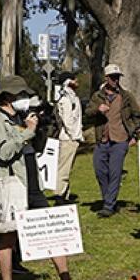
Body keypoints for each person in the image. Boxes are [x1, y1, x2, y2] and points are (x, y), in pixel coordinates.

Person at [0, 75, 98, 280]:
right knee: (8, 237)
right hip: (10, 185)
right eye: (21, 95)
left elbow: (35, 148)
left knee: (53, 234)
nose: (25, 99)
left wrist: (38, 128)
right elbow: (3, 152)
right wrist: (28, 130)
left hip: (32, 184)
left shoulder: (18, 117)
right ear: (8, 97)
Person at [86, 64, 140, 218]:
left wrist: (134, 135)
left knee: (115, 172)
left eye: (118, 77)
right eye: (113, 77)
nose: (116, 80)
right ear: (106, 78)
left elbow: (137, 115)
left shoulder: (126, 96)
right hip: (102, 140)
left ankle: (108, 205)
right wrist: (98, 110)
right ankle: (108, 198)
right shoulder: (97, 97)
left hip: (120, 139)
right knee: (100, 171)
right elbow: (87, 114)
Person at [53, 73, 84, 203]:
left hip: (71, 137)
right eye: (74, 79)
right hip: (68, 138)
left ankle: (65, 194)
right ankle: (59, 196)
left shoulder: (72, 97)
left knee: (67, 168)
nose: (77, 81)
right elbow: (68, 120)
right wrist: (75, 136)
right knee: (63, 169)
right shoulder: (66, 99)